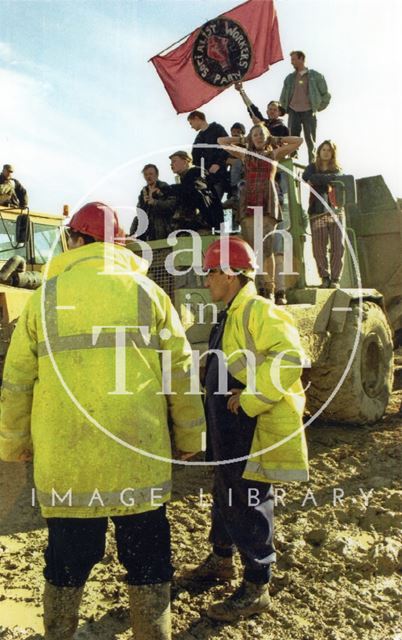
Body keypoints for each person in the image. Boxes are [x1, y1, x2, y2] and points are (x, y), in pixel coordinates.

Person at [0, 201, 205, 640]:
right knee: (148, 558)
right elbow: (182, 374)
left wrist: (14, 444)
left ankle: (59, 632)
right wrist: (189, 434)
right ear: (117, 244)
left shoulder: (43, 299)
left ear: (74, 240)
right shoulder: (148, 293)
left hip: (68, 462)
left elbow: (16, 382)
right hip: (138, 459)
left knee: (67, 560)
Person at [181, 237, 309, 622]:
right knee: (225, 489)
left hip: (248, 424)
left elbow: (289, 359)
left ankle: (257, 585)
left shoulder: (257, 309)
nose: (207, 282)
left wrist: (251, 398)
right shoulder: (233, 312)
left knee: (249, 497)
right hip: (227, 425)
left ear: (231, 273)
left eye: (211, 272)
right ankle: (222, 560)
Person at [218, 124, 302, 299]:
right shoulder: (245, 155)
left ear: (267, 137)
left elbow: (298, 141)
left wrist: (276, 140)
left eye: (262, 135)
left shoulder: (274, 154)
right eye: (255, 134)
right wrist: (242, 140)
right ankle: (258, 287)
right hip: (249, 202)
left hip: (267, 202)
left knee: (267, 248)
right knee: (251, 248)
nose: (258, 137)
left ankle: (270, 288)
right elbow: (221, 142)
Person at [302, 140, 345, 288]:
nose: (326, 152)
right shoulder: (312, 167)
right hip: (317, 211)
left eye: (329, 150)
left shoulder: (338, 168)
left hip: (335, 211)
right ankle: (324, 277)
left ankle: (335, 278)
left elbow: (339, 179)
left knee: (338, 246)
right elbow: (307, 177)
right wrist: (327, 180)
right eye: (324, 149)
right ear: (319, 151)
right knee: (319, 247)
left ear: (333, 153)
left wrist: (319, 180)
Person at [279, 51, 331, 162]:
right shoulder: (290, 78)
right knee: (293, 139)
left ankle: (312, 163)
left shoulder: (315, 76)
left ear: (301, 59)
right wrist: (284, 108)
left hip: (309, 111)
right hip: (293, 111)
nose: (292, 62)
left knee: (310, 140)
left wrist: (317, 107)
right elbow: (283, 96)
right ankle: (293, 161)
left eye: (294, 59)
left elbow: (326, 94)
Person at [169, 150, 224, 231]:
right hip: (197, 223)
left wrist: (168, 189)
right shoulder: (184, 178)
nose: (171, 164)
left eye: (174, 161)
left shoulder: (197, 172)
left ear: (185, 161)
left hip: (207, 223)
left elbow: (194, 189)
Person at [187, 110, 229, 200]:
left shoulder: (217, 128)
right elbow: (195, 158)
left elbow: (228, 147)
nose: (191, 127)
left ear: (196, 118)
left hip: (219, 176)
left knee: (215, 203)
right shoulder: (198, 139)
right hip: (206, 179)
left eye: (191, 123)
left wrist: (218, 163)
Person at [130, 164, 175, 240]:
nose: (148, 177)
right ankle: (134, 239)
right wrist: (144, 203)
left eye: (151, 174)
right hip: (147, 223)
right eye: (146, 174)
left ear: (157, 175)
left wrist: (155, 202)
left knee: (157, 219)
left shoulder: (164, 187)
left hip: (162, 222)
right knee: (137, 219)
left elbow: (171, 205)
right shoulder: (144, 191)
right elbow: (139, 210)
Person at [223, 122, 246, 212]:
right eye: (233, 131)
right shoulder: (227, 148)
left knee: (237, 162)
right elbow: (223, 160)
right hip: (231, 179)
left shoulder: (246, 146)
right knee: (234, 212)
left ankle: (235, 195)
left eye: (238, 131)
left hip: (244, 177)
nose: (235, 133)